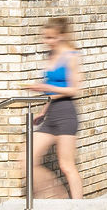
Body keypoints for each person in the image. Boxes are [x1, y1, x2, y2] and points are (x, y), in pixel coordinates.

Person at [29, 17, 84, 199]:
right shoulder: (50, 56)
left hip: (66, 114)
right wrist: (42, 112)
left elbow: (74, 89)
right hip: (51, 115)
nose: (47, 42)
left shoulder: (71, 56)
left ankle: (77, 205)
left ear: (61, 36)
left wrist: (47, 88)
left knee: (66, 165)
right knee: (27, 159)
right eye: (46, 38)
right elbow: (50, 92)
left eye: (51, 38)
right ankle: (56, 197)